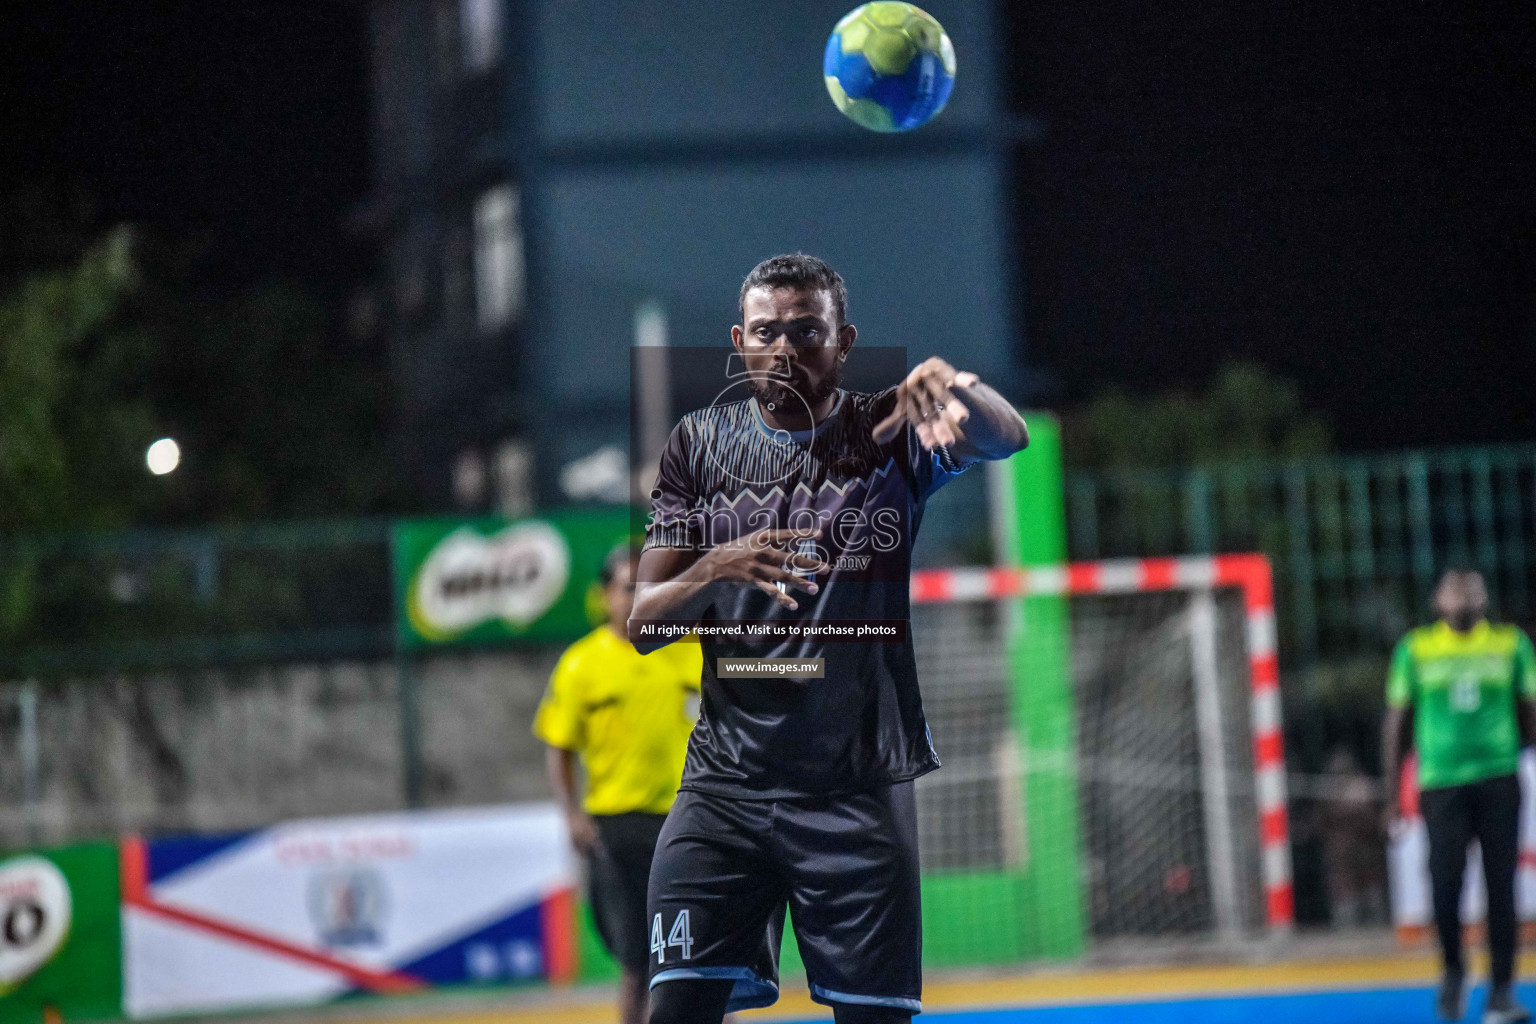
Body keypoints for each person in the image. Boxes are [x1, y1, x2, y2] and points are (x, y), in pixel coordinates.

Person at [629, 253, 1029, 1024]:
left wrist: (956, 387)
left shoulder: (887, 432)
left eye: (807, 332)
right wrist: (716, 565)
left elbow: (1005, 437)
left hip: (856, 787)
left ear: (842, 343)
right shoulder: (697, 446)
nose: (786, 349)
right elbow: (643, 626)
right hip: (725, 790)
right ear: (739, 342)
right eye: (768, 332)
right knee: (674, 1013)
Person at [533, 543, 702, 1024]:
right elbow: (558, 748)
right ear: (604, 595)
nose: (637, 596)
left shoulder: (687, 650)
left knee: (704, 958)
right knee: (638, 961)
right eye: (628, 587)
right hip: (619, 827)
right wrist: (571, 814)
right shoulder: (581, 665)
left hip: (688, 822)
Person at [1382, 567, 1536, 1024]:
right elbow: (1396, 722)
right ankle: (1453, 971)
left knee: (1501, 887)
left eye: (1472, 587)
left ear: (1485, 597)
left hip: (1498, 780)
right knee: (1445, 884)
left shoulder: (1511, 645)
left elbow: (1529, 705)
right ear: (1437, 602)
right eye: (1453, 589)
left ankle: (1502, 991)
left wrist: (1519, 747)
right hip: (1441, 785)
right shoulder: (1416, 650)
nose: (1463, 595)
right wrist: (1392, 793)